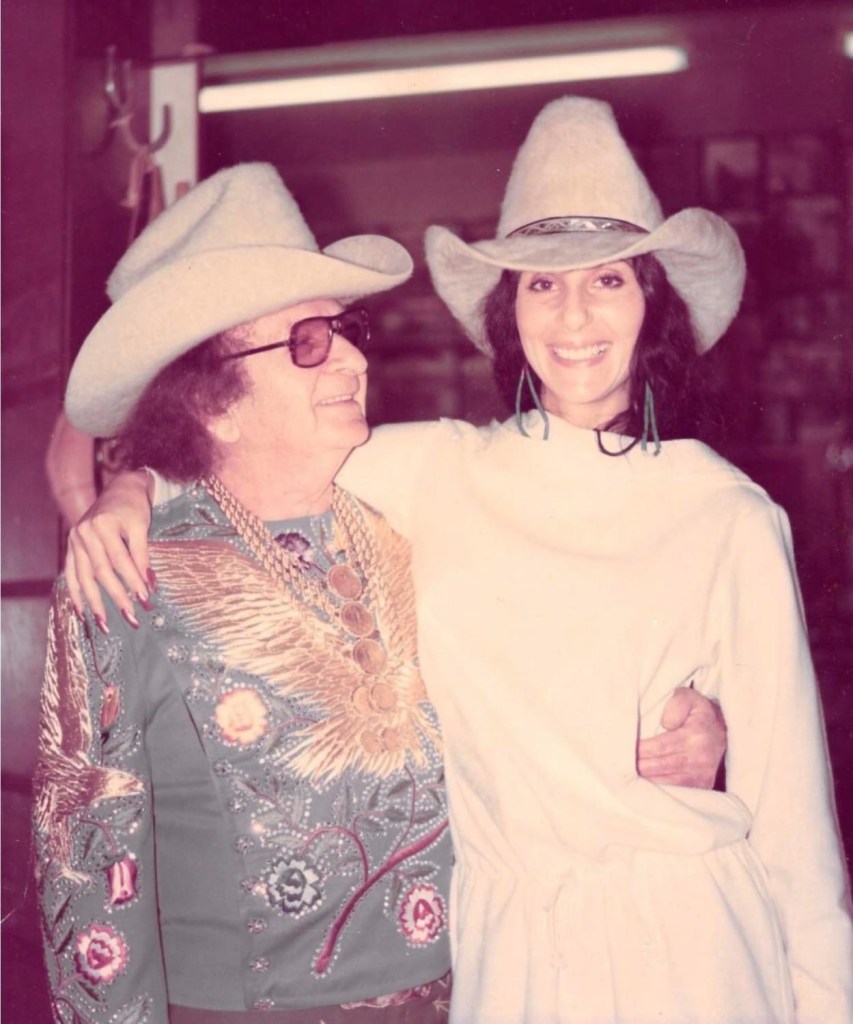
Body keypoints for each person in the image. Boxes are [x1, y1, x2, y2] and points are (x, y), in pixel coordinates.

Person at [35, 159, 724, 1024]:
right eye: (308, 341)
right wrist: (130, 487)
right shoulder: (126, 575)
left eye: (348, 329)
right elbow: (86, 864)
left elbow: (558, 665)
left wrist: (682, 731)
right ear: (213, 402)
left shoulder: (418, 525)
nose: (356, 356)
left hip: (471, 991)